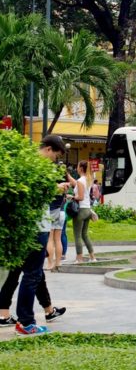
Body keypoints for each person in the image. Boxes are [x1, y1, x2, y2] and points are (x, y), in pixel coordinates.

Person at [6, 135, 70, 335]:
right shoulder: (36, 166)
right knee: (32, 275)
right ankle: (26, 322)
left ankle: (39, 313)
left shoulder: (26, 163)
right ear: (49, 149)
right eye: (56, 156)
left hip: (27, 226)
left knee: (26, 274)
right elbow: (34, 192)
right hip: (37, 227)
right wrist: (55, 188)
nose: (55, 160)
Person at [73, 160, 96, 263]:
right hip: (88, 210)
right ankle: (92, 257)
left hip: (81, 210)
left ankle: (79, 259)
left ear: (81, 168)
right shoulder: (88, 179)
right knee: (85, 235)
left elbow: (80, 197)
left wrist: (71, 197)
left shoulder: (80, 181)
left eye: (77, 167)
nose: (76, 168)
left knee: (77, 235)